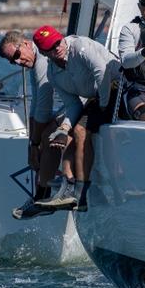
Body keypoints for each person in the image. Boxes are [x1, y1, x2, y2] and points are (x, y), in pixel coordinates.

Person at [32, 26, 121, 210]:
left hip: (116, 87)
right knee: (70, 132)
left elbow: (102, 71)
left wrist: (103, 105)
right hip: (97, 99)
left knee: (80, 131)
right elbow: (73, 105)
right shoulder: (52, 74)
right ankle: (74, 192)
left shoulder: (79, 46)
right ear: (43, 52)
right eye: (51, 46)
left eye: (58, 41)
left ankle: (77, 192)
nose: (57, 47)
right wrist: (63, 129)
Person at [0, 30, 76, 219]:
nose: (17, 62)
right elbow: (36, 107)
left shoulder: (42, 60)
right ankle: (41, 196)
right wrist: (31, 143)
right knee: (43, 132)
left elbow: (44, 105)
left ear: (26, 44)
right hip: (71, 102)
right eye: (11, 61)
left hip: (82, 100)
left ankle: (49, 193)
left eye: (16, 55)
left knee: (49, 133)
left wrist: (34, 144)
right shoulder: (34, 62)